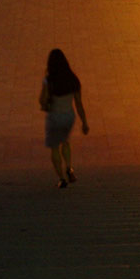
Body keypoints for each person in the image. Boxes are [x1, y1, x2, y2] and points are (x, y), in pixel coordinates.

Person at [39, 49, 88, 188]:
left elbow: (42, 101)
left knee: (55, 148)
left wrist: (45, 104)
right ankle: (69, 168)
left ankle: (61, 179)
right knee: (65, 142)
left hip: (54, 117)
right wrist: (84, 122)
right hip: (68, 116)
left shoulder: (49, 81)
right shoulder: (73, 80)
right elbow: (79, 104)